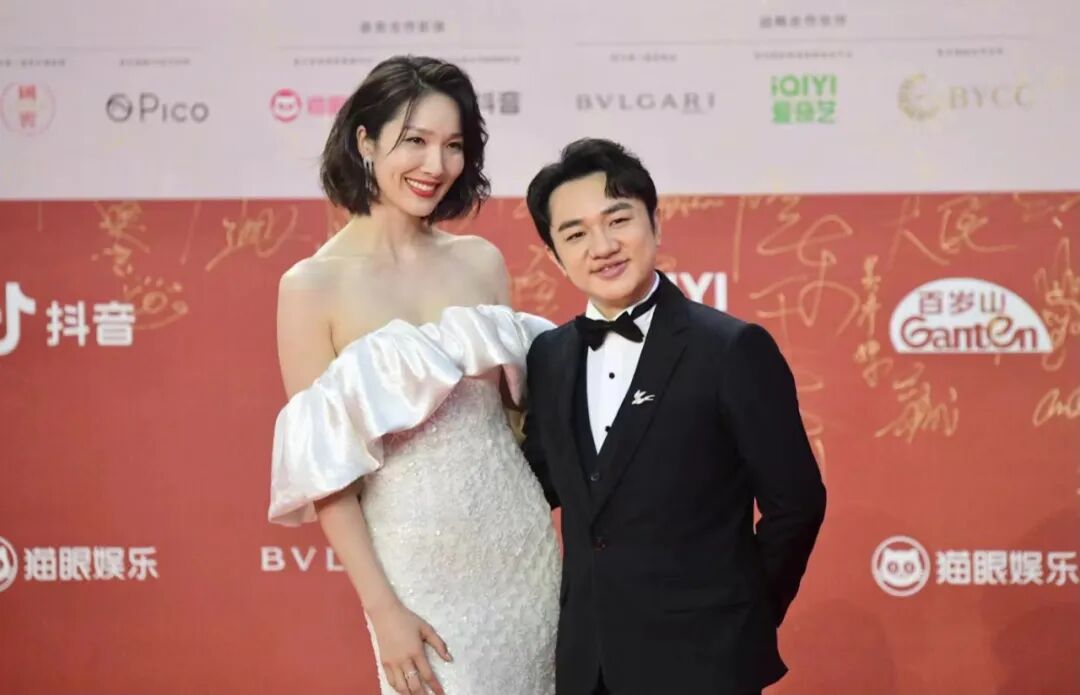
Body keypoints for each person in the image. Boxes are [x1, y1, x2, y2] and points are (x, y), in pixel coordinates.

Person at [268, 55, 560, 695]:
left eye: (454, 145)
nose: (436, 164)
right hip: (418, 573)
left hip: (523, 552)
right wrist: (383, 610)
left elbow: (515, 422)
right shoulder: (311, 287)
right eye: (416, 141)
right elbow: (327, 475)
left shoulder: (480, 262)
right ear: (365, 141)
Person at [521, 138, 826, 695]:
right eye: (576, 234)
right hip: (589, 667)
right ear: (555, 256)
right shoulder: (548, 356)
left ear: (655, 223)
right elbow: (540, 486)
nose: (603, 246)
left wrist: (742, 618)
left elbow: (797, 503)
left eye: (618, 220)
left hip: (705, 663)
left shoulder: (730, 349)